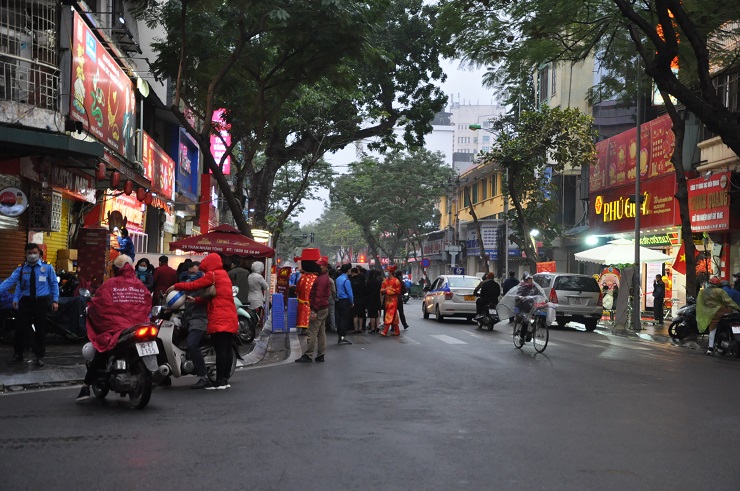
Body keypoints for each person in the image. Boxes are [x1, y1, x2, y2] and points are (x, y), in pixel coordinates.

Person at [76, 255, 151, 401]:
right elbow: (147, 304)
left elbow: (99, 304)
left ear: (116, 269)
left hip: (117, 329)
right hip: (138, 326)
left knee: (101, 349)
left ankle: (85, 386)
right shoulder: (140, 285)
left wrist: (90, 308)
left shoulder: (110, 284)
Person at [168, 253, 238, 389]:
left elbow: (195, 285)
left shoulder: (212, 275)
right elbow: (212, 295)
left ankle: (218, 382)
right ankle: (224, 380)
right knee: (227, 348)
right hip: (230, 315)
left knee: (220, 350)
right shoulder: (224, 275)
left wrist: (176, 286)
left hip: (219, 316)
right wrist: (196, 300)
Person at [0, 243, 59, 367]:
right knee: (20, 328)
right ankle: (18, 354)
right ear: (25, 254)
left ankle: (39, 356)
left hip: (41, 302)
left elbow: (54, 284)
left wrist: (55, 300)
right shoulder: (21, 269)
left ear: (39, 253)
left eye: (34, 252)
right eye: (29, 253)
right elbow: (12, 283)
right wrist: (15, 298)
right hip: (25, 301)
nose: (32, 255)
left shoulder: (47, 268)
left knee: (40, 329)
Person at [295, 258, 331, 363]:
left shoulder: (320, 279)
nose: (318, 267)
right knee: (321, 332)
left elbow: (318, 296)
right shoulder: (322, 278)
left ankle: (309, 354)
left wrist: (314, 310)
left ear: (324, 267)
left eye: (320, 266)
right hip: (323, 308)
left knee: (312, 332)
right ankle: (321, 354)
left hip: (318, 308)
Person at [181, 262, 210, 389]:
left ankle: (203, 376)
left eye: (196, 273)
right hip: (186, 318)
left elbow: (207, 299)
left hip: (199, 319)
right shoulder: (186, 285)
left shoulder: (205, 287)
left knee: (192, 344)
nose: (193, 275)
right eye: (191, 273)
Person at [697, 277, 740, 356]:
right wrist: (737, 308)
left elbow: (700, 303)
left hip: (710, 313)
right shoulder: (720, 291)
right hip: (721, 312)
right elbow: (728, 301)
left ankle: (710, 348)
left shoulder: (703, 292)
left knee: (712, 330)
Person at [380, 265, 402, 336]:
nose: (387, 273)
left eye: (388, 271)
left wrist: (387, 291)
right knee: (394, 315)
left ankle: (385, 331)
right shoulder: (385, 281)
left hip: (393, 300)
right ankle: (397, 331)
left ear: (391, 272)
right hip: (387, 300)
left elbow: (398, 291)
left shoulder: (396, 281)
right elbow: (381, 289)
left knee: (389, 315)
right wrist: (383, 291)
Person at [335, 263, 354, 345]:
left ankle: (340, 335)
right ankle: (342, 336)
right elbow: (350, 293)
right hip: (345, 300)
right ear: (348, 270)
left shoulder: (338, 279)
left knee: (339, 318)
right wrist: (352, 302)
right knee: (344, 319)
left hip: (339, 300)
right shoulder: (346, 280)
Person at [247, 261, 269, 327]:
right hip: (258, 297)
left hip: (250, 296)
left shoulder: (249, 276)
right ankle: (255, 326)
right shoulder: (259, 277)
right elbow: (266, 286)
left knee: (251, 313)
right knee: (257, 314)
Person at [350, 267, 367, 333]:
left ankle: (355, 328)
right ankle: (360, 328)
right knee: (361, 315)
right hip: (362, 299)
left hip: (354, 298)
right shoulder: (362, 281)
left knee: (355, 314)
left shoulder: (351, 281)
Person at [366, 269, 383, 334]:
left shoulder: (368, 282)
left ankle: (372, 328)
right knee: (377, 313)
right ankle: (377, 327)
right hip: (377, 299)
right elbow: (380, 292)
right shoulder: (378, 282)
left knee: (372, 315)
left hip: (370, 299)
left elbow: (366, 292)